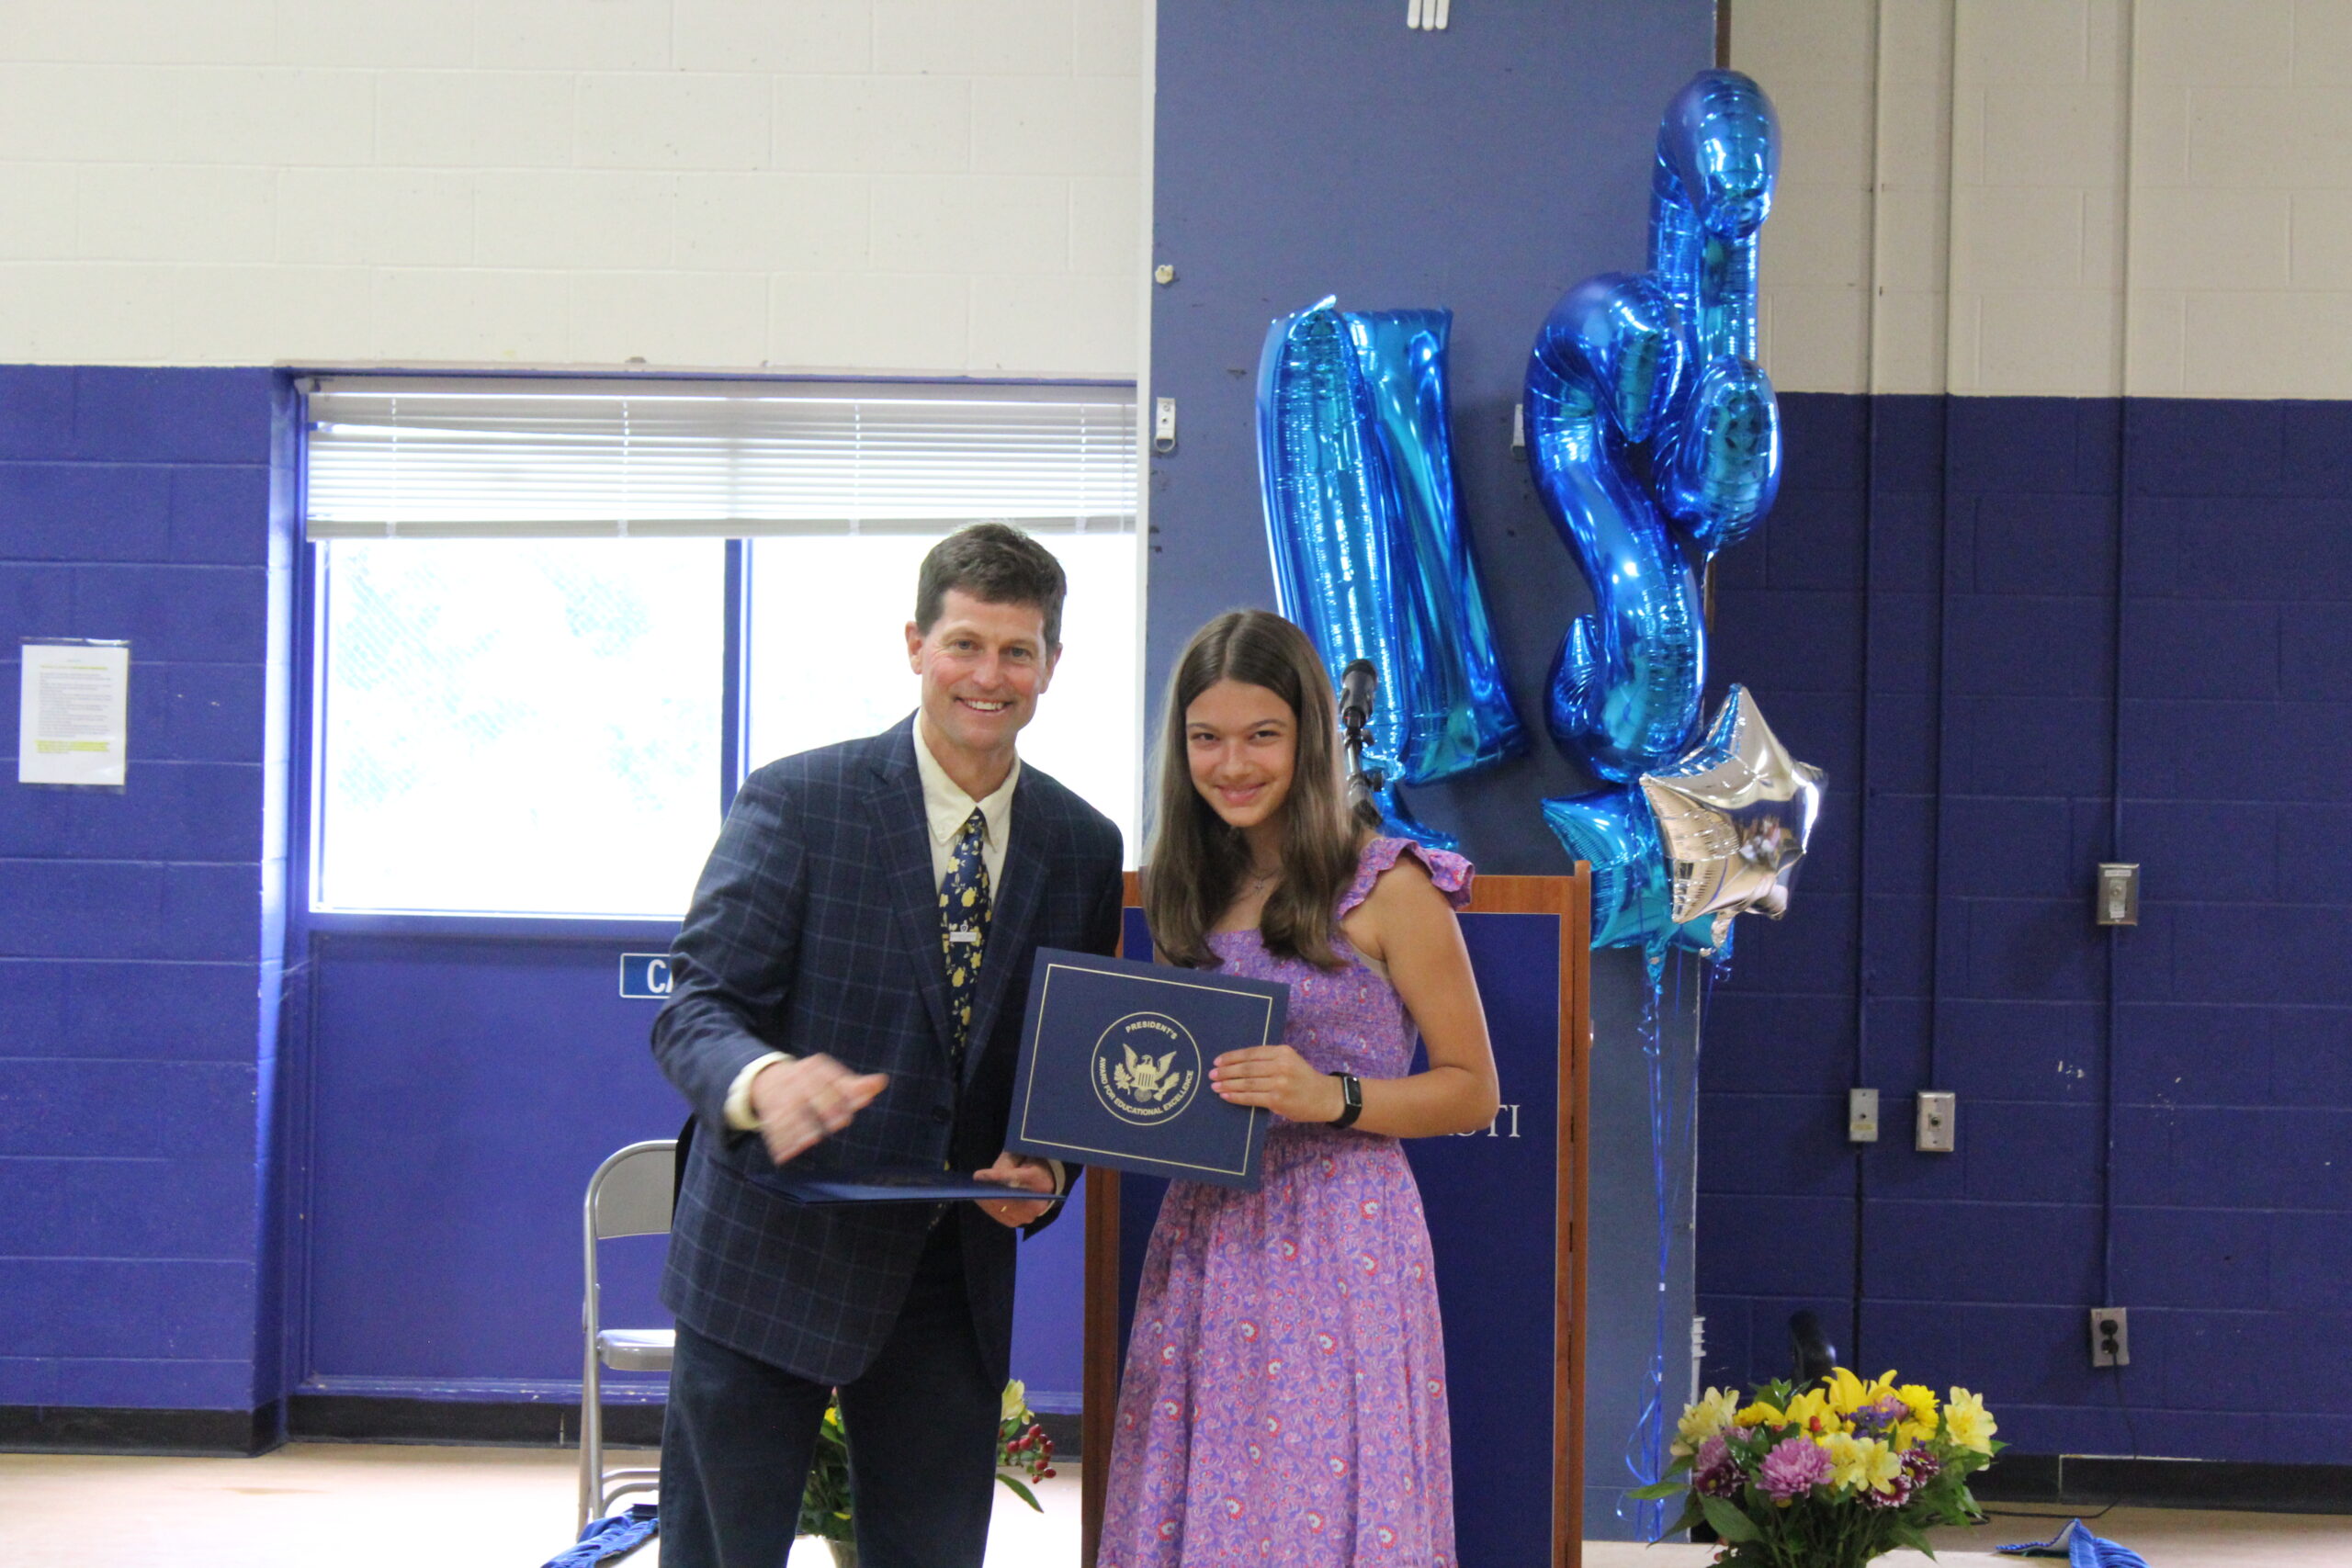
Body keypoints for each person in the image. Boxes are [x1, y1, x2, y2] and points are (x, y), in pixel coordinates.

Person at [650, 523, 1125, 1568]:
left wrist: (1048, 1168)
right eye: (964, 644)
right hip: (770, 1252)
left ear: (1052, 664)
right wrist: (765, 1079)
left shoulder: (1084, 846)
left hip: (949, 1279)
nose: (988, 676)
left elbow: (1068, 1067)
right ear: (915, 645)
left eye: (1016, 651)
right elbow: (695, 1007)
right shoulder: (798, 801)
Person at [1099, 609, 1500, 1567]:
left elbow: (1472, 1090)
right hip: (1206, 1231)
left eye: (1262, 735)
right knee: (1204, 1503)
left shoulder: (1389, 885)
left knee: (1322, 1500)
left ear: (1310, 736)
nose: (1232, 764)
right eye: (1207, 738)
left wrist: (1333, 1097)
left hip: (1341, 1235)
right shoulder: (1186, 888)